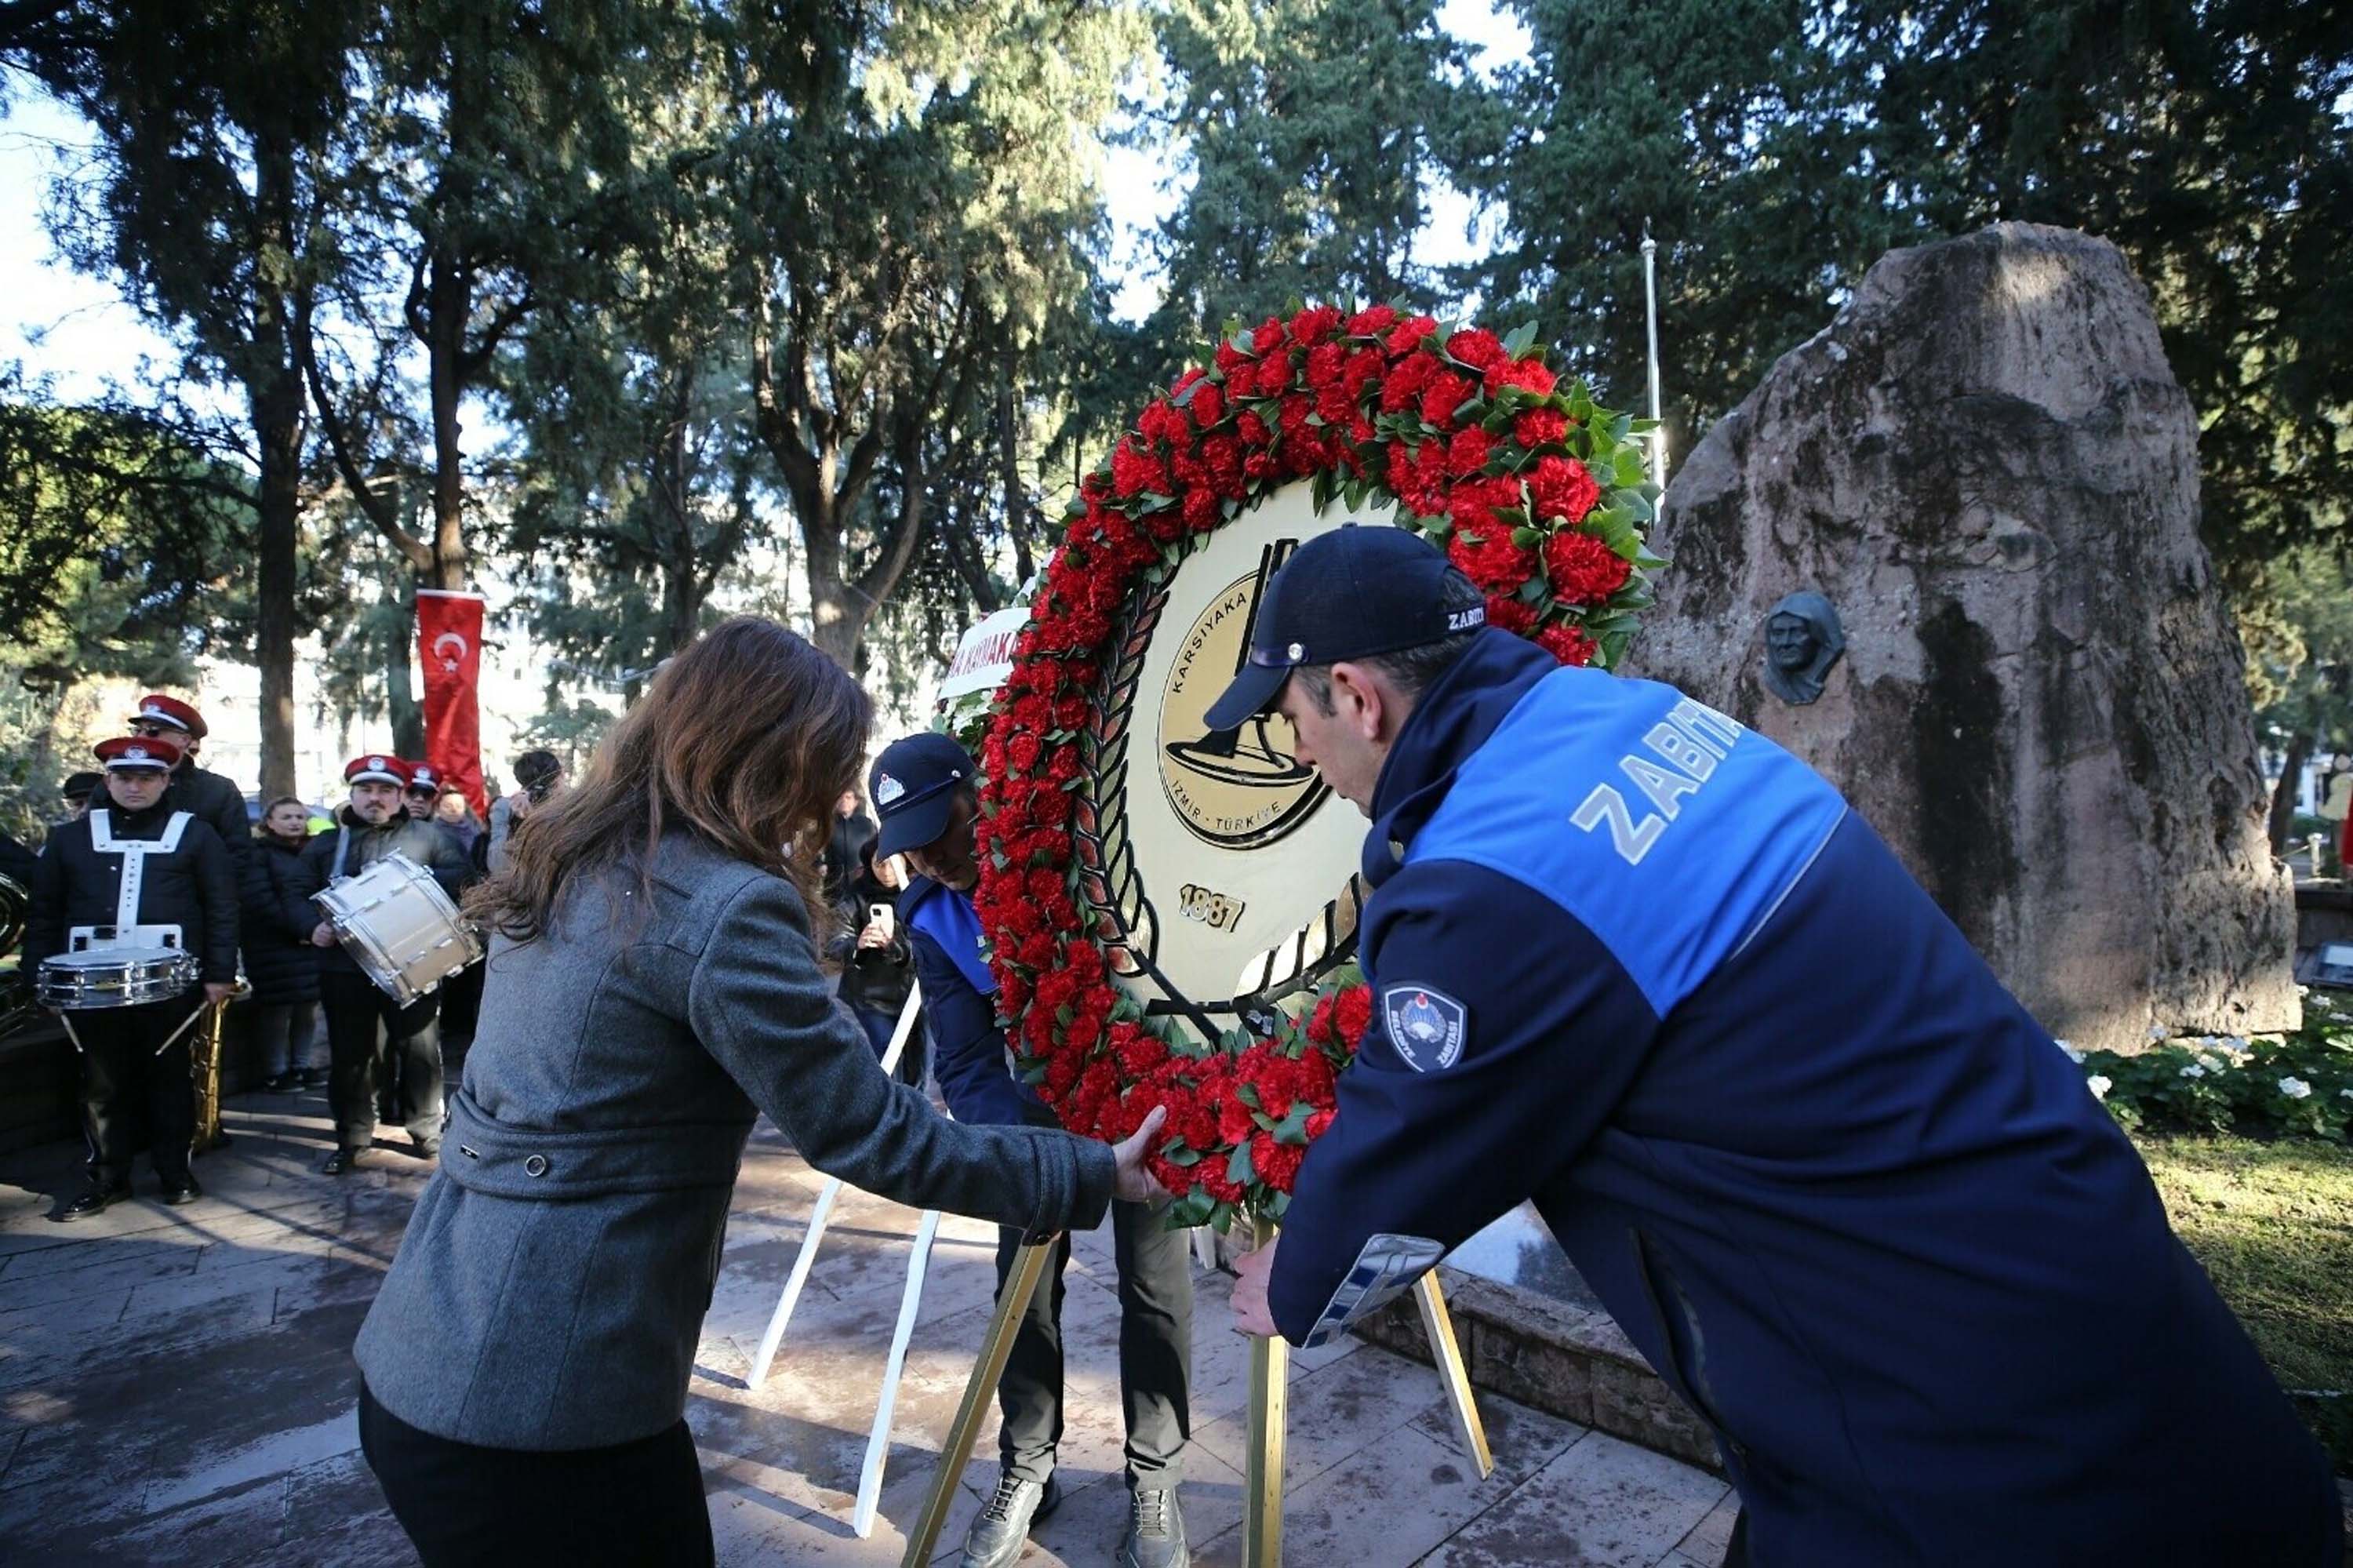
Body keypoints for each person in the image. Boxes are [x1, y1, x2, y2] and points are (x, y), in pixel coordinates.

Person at [1207, 527, 2341, 1567]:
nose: (1297, 749)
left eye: (1287, 716)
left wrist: (1296, 1281)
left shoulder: (1484, 880)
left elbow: (1419, 1134)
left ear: (1354, 696)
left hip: (1946, 1400)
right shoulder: (1629, 715)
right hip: (2051, 1248)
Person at [351, 617, 1169, 1568]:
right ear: (780, 757)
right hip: (550, 1402)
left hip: (425, 1349)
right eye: (831, 766)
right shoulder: (724, 902)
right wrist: (1091, 1169)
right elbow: (869, 1129)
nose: (834, 798)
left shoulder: (575, 850)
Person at [874, 731, 1195, 1568]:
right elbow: (970, 1058)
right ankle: (1028, 1466)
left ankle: (1155, 1475)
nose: (929, 858)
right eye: (907, 845)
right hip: (1036, 1115)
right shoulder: (933, 913)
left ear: (975, 794)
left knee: (1154, 1288)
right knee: (1022, 1293)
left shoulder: (1073, 845)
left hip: (1140, 1097)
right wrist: (1014, 1156)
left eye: (935, 832)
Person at [23, 734, 238, 1216]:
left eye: (147, 777)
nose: (135, 787)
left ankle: (174, 1172)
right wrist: (40, 977)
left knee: (169, 1079)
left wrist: (219, 973)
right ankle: (107, 1178)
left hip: (170, 985)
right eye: (124, 777)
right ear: (108, 780)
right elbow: (44, 913)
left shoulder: (197, 834)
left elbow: (222, 908)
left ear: (166, 780)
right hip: (89, 987)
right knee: (101, 1083)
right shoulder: (69, 838)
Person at [291, 754, 471, 1172]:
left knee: (420, 1051)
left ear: (401, 796)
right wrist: (308, 927)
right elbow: (294, 890)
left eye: (385, 790)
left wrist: (407, 882)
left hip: (414, 961)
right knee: (352, 1054)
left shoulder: (429, 837)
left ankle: (427, 1133)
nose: (375, 799)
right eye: (366, 790)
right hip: (344, 967)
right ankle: (352, 1138)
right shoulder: (326, 843)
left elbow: (463, 876)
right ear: (352, 794)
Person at [242, 796, 324, 1093]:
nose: (294, 822)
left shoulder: (312, 852)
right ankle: (275, 1071)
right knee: (277, 1012)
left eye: (299, 817)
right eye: (287, 817)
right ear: (270, 823)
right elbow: (260, 899)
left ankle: (301, 1065)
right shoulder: (258, 854)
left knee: (307, 1009)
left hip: (308, 941)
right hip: (273, 945)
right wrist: (299, 928)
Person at [826, 837, 919, 1079]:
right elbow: (835, 941)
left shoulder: (917, 894)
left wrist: (894, 946)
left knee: (918, 1067)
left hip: (915, 995)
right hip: (871, 997)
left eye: (892, 862)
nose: (886, 871)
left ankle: (914, 1110)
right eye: (879, 864)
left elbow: (928, 944)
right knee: (890, 1059)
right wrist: (858, 944)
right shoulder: (856, 896)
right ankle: (896, 1111)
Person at [124, 694, 250, 871]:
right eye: (137, 730)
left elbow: (237, 856)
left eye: (153, 731)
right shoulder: (113, 786)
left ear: (184, 740)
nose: (142, 737)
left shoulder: (218, 791)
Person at [485, 749, 564, 874]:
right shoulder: (508, 808)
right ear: (560, 776)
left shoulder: (569, 810)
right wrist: (519, 823)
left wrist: (537, 821)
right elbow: (497, 865)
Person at [431, 787, 482, 854]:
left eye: (459, 806)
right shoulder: (431, 831)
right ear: (438, 808)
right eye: (448, 806)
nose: (454, 810)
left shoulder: (475, 831)